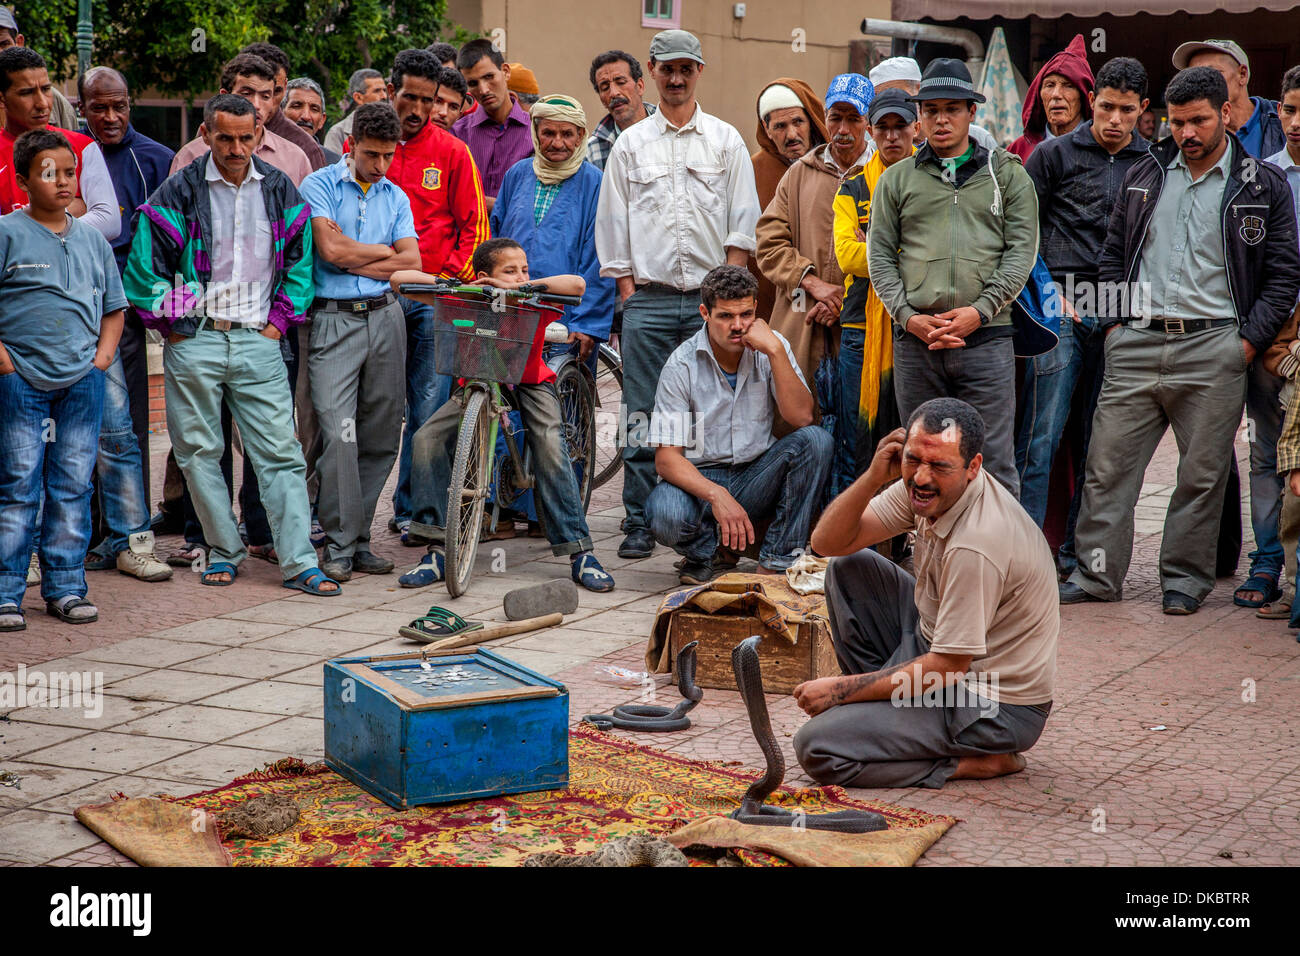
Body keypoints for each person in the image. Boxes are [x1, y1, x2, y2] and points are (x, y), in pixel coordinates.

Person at [1060, 67, 1300, 615]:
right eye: (1176, 121)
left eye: (1198, 121)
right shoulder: (1144, 174)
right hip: (1137, 340)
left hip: (1215, 345)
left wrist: (1245, 342)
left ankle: (1185, 582)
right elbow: (1112, 256)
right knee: (1107, 466)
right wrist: (1115, 325)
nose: (1187, 132)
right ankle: (1097, 577)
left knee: (1202, 474)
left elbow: (1283, 276)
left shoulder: (1261, 183)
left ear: (1225, 115)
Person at [124, 94, 341, 597]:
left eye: (246, 137)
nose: (237, 148)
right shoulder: (179, 189)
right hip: (196, 339)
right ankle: (222, 551)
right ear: (205, 134)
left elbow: (300, 264)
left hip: (257, 341)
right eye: (225, 138)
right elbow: (143, 271)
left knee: (281, 455)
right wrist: (173, 322)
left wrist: (277, 324)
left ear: (259, 132)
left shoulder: (280, 188)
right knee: (199, 453)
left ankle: (299, 561)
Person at [793, 398, 1058, 789]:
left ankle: (974, 763)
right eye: (913, 460)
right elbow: (828, 542)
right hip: (935, 650)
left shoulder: (977, 544)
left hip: (990, 704)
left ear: (974, 467)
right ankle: (885, 717)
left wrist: (841, 692)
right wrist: (872, 478)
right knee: (849, 566)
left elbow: (950, 667)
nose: (920, 477)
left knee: (818, 746)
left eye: (939, 466)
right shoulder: (924, 486)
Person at [595, 29, 760, 561]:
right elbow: (613, 222)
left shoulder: (725, 140)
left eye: (686, 68)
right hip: (649, 298)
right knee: (643, 412)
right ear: (653, 71)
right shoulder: (631, 144)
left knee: (710, 408)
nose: (675, 77)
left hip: (709, 305)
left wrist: (725, 296)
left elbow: (742, 224)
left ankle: (704, 515)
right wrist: (627, 291)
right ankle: (641, 519)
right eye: (666, 68)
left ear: (698, 71)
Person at [392, 238, 616, 592]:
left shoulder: (532, 296)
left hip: (530, 379)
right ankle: (436, 547)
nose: (519, 276)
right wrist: (461, 286)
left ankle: (580, 552)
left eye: (523, 269)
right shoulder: (467, 297)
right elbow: (398, 279)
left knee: (549, 442)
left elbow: (578, 285)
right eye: (509, 271)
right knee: (426, 439)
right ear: (485, 275)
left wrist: (522, 286)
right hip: (478, 379)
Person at [867, 58, 1038, 498]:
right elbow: (880, 257)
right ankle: (930, 562)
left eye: (953, 108)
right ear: (919, 117)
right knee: (922, 457)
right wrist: (907, 317)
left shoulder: (1007, 174)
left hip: (988, 337)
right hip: (917, 342)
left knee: (994, 459)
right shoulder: (896, 180)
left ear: (972, 113)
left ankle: (1000, 563)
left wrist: (980, 312)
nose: (941, 119)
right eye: (931, 109)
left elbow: (1021, 252)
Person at [1015, 57, 1152, 567]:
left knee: (1101, 443)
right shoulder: (1052, 155)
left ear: (1142, 110)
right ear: (1092, 102)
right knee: (1041, 436)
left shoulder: (1154, 163)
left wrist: (1131, 311)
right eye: (1106, 106)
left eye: (1126, 110)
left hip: (1119, 313)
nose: (1114, 119)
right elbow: (1018, 232)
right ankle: (1023, 554)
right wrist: (1051, 297)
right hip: (1058, 306)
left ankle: (1077, 554)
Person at [0, 129, 127, 631]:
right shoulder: (6, 233)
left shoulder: (93, 238)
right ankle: (7, 593)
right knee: (17, 487)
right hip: (20, 380)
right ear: (24, 178)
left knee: (72, 485)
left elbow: (114, 309)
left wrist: (101, 360)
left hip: (83, 381)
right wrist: (5, 362)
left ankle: (66, 586)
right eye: (49, 172)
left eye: (69, 172)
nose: (62, 181)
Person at [1175, 41, 1288, 600]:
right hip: (1229, 329)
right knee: (1236, 452)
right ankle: (1258, 562)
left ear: (1241, 78)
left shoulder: (1266, 148)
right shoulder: (1183, 146)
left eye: (1214, 78)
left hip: (1269, 324)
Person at [644, 265, 831, 583]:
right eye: (726, 316)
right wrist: (717, 495)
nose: (738, 326)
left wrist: (774, 351)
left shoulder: (773, 347)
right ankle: (704, 554)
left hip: (756, 476)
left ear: (756, 309)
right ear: (705, 312)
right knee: (666, 513)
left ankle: (775, 560)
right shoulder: (681, 364)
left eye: (745, 314)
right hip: (699, 482)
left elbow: (801, 417)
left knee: (816, 440)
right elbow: (666, 459)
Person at [299, 103, 420, 582]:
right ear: (350, 146)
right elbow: (328, 252)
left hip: (387, 319)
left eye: (389, 156)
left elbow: (411, 258)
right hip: (333, 321)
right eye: (372, 154)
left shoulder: (396, 196)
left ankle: (360, 539)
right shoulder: (320, 185)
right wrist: (381, 254)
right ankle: (339, 542)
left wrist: (356, 257)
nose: (381, 165)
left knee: (381, 434)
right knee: (337, 435)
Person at [384, 48, 489, 539]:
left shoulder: (452, 152)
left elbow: (475, 227)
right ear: (391, 92)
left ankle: (418, 514)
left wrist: (444, 283)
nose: (418, 109)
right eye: (409, 97)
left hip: (433, 301)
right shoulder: (367, 148)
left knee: (427, 409)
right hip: (375, 298)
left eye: (427, 101)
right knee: (377, 410)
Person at [77, 65, 174, 582]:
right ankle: (91, 535)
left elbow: (163, 239)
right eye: (99, 107)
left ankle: (128, 537)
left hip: (128, 311)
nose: (110, 117)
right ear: (83, 106)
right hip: (71, 307)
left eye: (119, 106)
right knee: (77, 424)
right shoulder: (68, 156)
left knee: (127, 426)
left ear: (130, 104)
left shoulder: (156, 159)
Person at [757, 73, 872, 426]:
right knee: (794, 425)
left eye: (854, 118)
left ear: (868, 121)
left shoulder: (885, 174)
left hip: (864, 323)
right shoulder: (799, 176)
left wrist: (843, 302)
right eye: (835, 117)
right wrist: (813, 284)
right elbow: (768, 243)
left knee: (859, 428)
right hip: (801, 319)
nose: (843, 128)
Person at [832, 88, 917, 498]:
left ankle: (897, 535)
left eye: (900, 126)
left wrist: (876, 245)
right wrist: (903, 248)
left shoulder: (930, 183)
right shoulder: (853, 189)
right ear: (872, 129)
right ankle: (854, 539)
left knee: (906, 435)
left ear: (915, 128)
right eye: (882, 127)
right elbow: (847, 257)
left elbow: (935, 251)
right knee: (857, 439)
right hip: (859, 329)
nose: (891, 136)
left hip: (914, 326)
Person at [490, 95, 614, 365]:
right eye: (548, 133)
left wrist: (588, 324)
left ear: (581, 136)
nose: (558, 142)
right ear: (535, 133)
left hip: (568, 320)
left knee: (560, 402)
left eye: (567, 134)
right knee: (507, 398)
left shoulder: (596, 183)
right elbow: (495, 244)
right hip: (512, 311)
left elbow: (601, 259)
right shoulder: (517, 175)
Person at [0, 47, 118, 239]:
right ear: (2, 98)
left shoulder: (82, 146)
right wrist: (72, 213)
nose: (42, 103)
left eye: (46, 89)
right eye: (27, 93)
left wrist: (24, 227)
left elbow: (110, 222)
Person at [750, 77, 827, 321]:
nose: (791, 134)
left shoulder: (835, 164)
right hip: (771, 300)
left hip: (831, 296)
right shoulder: (752, 170)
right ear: (766, 129)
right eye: (780, 126)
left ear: (812, 122)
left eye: (798, 122)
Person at [171, 53, 311, 186]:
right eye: (246, 94)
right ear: (224, 96)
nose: (256, 105)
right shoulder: (192, 155)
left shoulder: (295, 158)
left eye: (265, 96)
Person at [453, 38, 534, 211]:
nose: (483, 90)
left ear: (505, 71)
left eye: (489, 77)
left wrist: (482, 202)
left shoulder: (536, 132)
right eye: (473, 83)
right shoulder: (457, 135)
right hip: (471, 237)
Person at [1174, 38, 1284, 159]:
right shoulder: (1187, 133)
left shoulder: (1283, 120)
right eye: (1192, 76)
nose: (1199, 83)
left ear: (1242, 74)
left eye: (1211, 74)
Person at [869, 56, 998, 152]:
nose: (942, 120)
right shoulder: (876, 147)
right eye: (880, 97)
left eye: (952, 109)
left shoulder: (980, 139)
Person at [240, 42, 326, 171]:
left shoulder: (306, 148)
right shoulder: (209, 134)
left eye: (275, 92)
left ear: (285, 87)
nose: (263, 103)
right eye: (248, 93)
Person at [1009, 35, 1094, 161]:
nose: (1056, 94)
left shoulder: (1099, 147)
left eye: (1068, 86)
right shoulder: (1019, 149)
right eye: (1049, 85)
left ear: (1085, 97)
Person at [0, 8, 77, 131]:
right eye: (26, 93)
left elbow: (72, 144)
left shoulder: (55, 101)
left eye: (4, 44)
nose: (41, 104)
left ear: (19, 42)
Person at [586, 50, 656, 172]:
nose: (613, 93)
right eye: (605, 87)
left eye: (621, 82)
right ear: (602, 99)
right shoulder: (591, 151)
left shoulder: (670, 130)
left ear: (640, 86)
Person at [324, 68, 387, 156]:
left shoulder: (395, 128)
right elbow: (334, 167)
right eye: (377, 91)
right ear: (358, 98)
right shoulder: (338, 133)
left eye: (384, 90)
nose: (384, 96)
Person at [284, 77, 341, 163]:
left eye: (314, 109)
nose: (306, 116)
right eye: (297, 106)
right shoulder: (264, 155)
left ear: (322, 120)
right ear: (279, 112)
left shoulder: (335, 164)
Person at [431, 66, 468, 132]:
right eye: (438, 101)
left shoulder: (459, 142)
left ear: (459, 116)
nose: (444, 113)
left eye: (453, 107)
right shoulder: (406, 138)